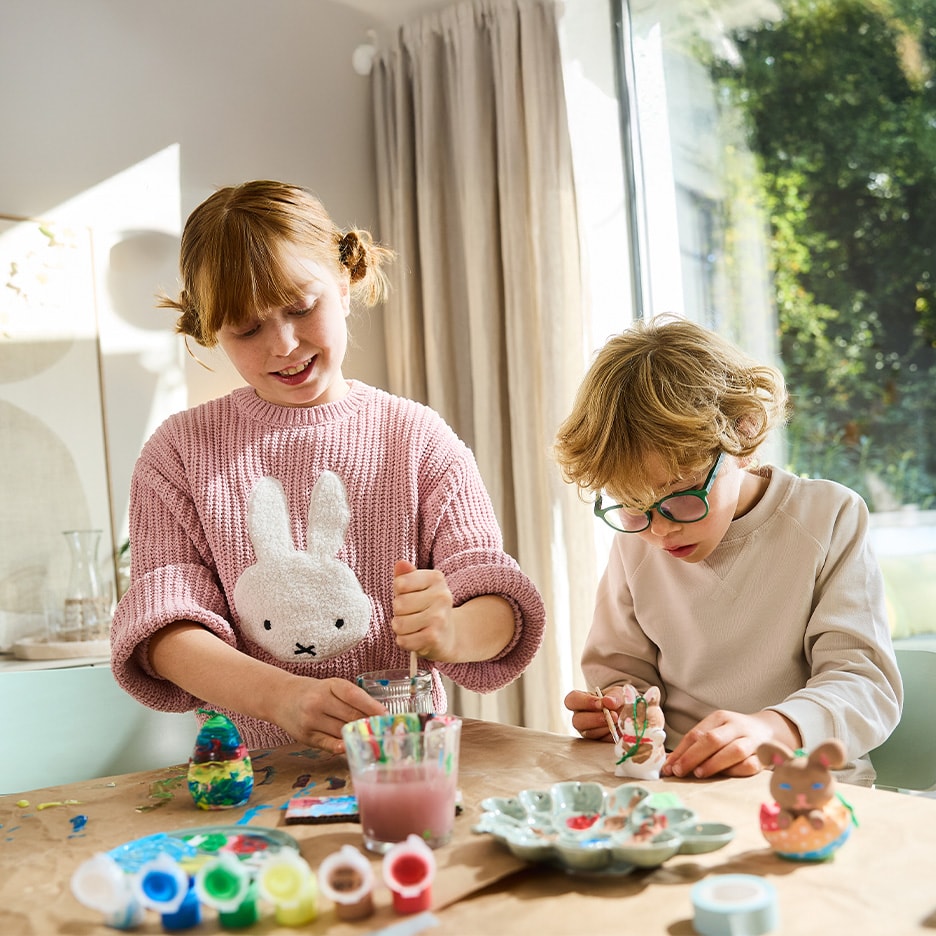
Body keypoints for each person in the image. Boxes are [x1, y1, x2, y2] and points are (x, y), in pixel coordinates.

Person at [110, 179, 545, 754]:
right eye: (246, 328)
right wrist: (280, 697)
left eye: (300, 306)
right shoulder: (179, 454)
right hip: (250, 779)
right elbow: (164, 630)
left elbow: (498, 601)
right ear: (210, 327)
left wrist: (455, 629)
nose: (284, 344)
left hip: (405, 764)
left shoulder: (417, 439)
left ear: (344, 279)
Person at [555, 316, 901, 785]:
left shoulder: (828, 517)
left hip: (807, 790)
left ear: (743, 436)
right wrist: (620, 708)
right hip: (679, 786)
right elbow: (620, 671)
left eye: (680, 494)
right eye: (635, 506)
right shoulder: (635, 541)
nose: (658, 531)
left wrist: (772, 729)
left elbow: (864, 685)